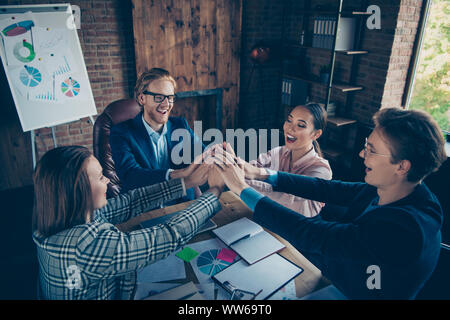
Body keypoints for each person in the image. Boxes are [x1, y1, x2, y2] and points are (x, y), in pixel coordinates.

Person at [211, 108, 446, 299]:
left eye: (372, 151)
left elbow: (313, 233)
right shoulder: (402, 190)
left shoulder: (404, 229)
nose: (362, 155)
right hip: (341, 277)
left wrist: (242, 189)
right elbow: (327, 189)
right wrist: (260, 173)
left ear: (402, 166)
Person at [32, 146, 223, 300]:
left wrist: (187, 181)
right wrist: (214, 192)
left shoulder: (67, 217)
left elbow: (132, 201)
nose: (107, 180)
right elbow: (168, 235)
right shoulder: (85, 246)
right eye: (100, 177)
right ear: (77, 192)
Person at [110, 68, 204, 200]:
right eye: (159, 97)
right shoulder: (121, 132)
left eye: (170, 98)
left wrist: (221, 156)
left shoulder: (180, 125)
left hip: (181, 203)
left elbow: (203, 153)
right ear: (142, 98)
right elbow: (130, 175)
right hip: (144, 207)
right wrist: (176, 174)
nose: (166, 104)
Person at [237, 103, 332, 217]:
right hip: (271, 217)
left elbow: (286, 196)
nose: (290, 128)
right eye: (289, 120)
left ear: (316, 134)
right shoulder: (279, 152)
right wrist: (234, 162)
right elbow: (253, 167)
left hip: (299, 229)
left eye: (300, 125)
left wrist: (238, 179)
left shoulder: (321, 170)